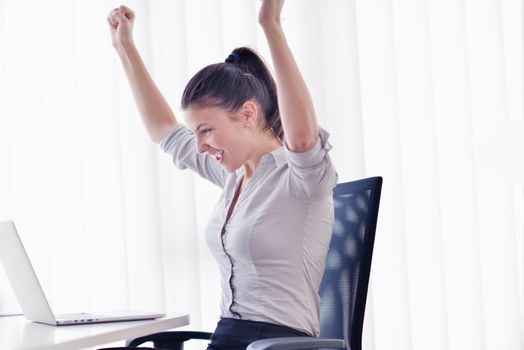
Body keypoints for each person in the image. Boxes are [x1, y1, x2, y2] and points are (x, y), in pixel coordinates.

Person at [107, 1, 338, 349]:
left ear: (247, 114)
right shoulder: (235, 179)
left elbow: (303, 138)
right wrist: (124, 47)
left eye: (206, 131)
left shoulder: (301, 179)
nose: (200, 146)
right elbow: (165, 131)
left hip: (276, 344)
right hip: (227, 337)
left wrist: (270, 24)